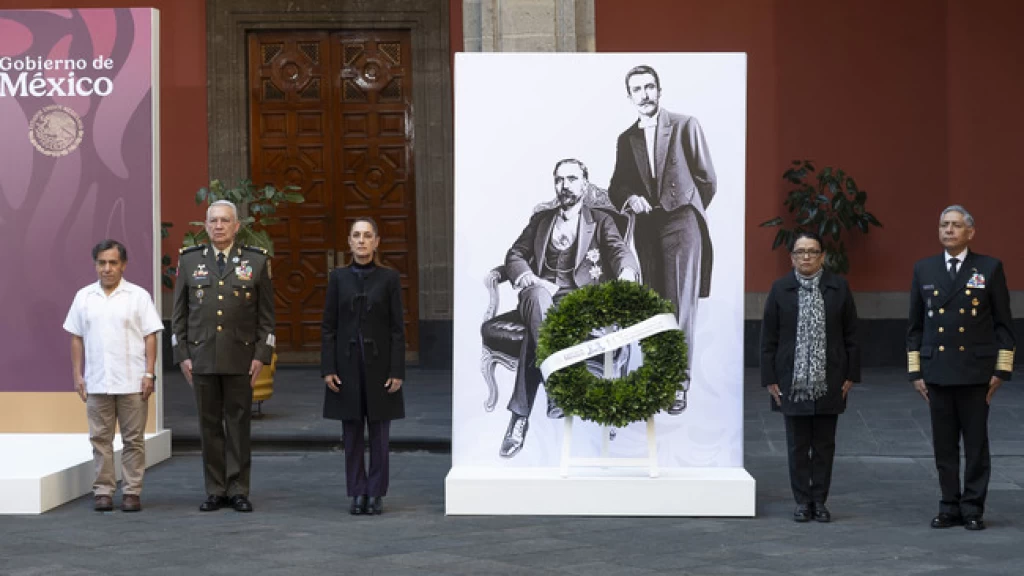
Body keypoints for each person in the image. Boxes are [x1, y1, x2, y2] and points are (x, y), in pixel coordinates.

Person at [499, 158, 639, 458]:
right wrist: (530, 277)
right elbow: (515, 254)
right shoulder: (541, 221)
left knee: (531, 339)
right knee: (537, 298)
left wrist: (627, 271)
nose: (565, 186)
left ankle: (518, 420)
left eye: (572, 179)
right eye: (560, 180)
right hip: (538, 294)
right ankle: (560, 385)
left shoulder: (601, 220)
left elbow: (619, 251)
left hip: (577, 303)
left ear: (584, 184)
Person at [608, 64, 716, 415]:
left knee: (682, 302)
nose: (645, 94)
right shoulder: (627, 139)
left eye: (650, 87)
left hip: (682, 223)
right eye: (637, 89)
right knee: (655, 303)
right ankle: (659, 375)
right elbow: (616, 185)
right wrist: (630, 199)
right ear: (629, 97)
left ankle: (679, 384)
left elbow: (707, 179)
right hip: (647, 228)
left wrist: (685, 209)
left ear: (659, 89)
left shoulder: (685, 125)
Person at [907, 205, 1014, 531]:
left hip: (975, 372)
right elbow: (915, 326)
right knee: (944, 445)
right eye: (944, 225)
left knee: (976, 446)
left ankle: (972, 508)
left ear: (970, 232)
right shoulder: (924, 269)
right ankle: (948, 505)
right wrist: (915, 371)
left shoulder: (989, 268)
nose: (948, 230)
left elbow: (1003, 325)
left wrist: (1001, 370)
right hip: (937, 370)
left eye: (955, 225)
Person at [171, 199, 276, 513]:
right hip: (201, 358)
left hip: (241, 359)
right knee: (209, 426)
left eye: (224, 221)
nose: (218, 226)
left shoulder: (255, 262)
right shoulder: (190, 262)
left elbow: (266, 318)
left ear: (236, 226)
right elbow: (178, 316)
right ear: (205, 225)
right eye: (213, 221)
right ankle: (215, 489)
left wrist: (262, 355)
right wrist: (182, 355)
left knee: (239, 426)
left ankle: (239, 489)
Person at [760, 231, 859, 523]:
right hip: (791, 380)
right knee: (798, 444)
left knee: (825, 444)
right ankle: (803, 501)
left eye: (812, 251)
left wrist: (851, 374)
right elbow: (769, 338)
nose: (806, 256)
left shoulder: (838, 288)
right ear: (791, 257)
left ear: (823, 256)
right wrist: (770, 378)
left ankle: (820, 501)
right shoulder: (780, 289)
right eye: (800, 251)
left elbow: (852, 335)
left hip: (830, 378)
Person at [63, 239, 163, 512]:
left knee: (134, 441)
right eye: (102, 263)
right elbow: (76, 338)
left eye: (113, 263)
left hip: (132, 382)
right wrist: (77, 375)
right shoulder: (84, 297)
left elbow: (150, 336)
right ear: (95, 265)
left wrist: (149, 373)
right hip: (96, 382)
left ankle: (131, 492)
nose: (107, 268)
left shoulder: (138, 296)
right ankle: (103, 492)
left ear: (123, 265)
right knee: (100, 441)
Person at [321, 218, 406, 515]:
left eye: (367, 236)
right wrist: (328, 367)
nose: (361, 241)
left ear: (376, 242)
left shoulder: (389, 278)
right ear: (349, 241)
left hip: (380, 365)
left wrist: (397, 370)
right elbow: (328, 326)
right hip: (346, 365)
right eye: (356, 235)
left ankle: (376, 492)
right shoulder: (338, 278)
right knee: (352, 431)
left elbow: (398, 328)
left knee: (380, 433)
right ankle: (357, 491)